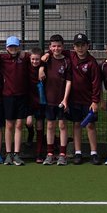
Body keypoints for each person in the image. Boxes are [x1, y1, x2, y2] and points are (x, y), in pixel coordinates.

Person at [65, 33, 102, 164]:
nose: (80, 48)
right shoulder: (71, 56)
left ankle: (94, 153)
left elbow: (96, 83)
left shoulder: (92, 63)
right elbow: (55, 49)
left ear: (88, 46)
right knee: (76, 125)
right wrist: (46, 54)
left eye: (83, 45)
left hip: (88, 101)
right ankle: (78, 152)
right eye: (77, 45)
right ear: (74, 47)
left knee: (90, 125)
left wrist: (95, 101)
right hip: (74, 100)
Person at [38, 34, 71, 165]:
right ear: (50, 47)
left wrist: (65, 99)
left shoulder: (67, 61)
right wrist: (41, 67)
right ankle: (50, 153)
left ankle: (63, 154)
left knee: (62, 125)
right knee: (50, 125)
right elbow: (38, 64)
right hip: (49, 99)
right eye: (53, 46)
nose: (56, 48)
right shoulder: (46, 60)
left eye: (58, 46)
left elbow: (69, 81)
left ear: (62, 47)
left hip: (62, 100)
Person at [0, 35, 31, 166]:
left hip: (22, 96)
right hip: (8, 96)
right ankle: (8, 154)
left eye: (15, 46)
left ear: (19, 47)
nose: (13, 48)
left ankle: (16, 154)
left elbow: (38, 56)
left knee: (19, 125)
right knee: (9, 125)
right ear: (6, 48)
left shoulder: (25, 58)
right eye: (10, 46)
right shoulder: (2, 58)